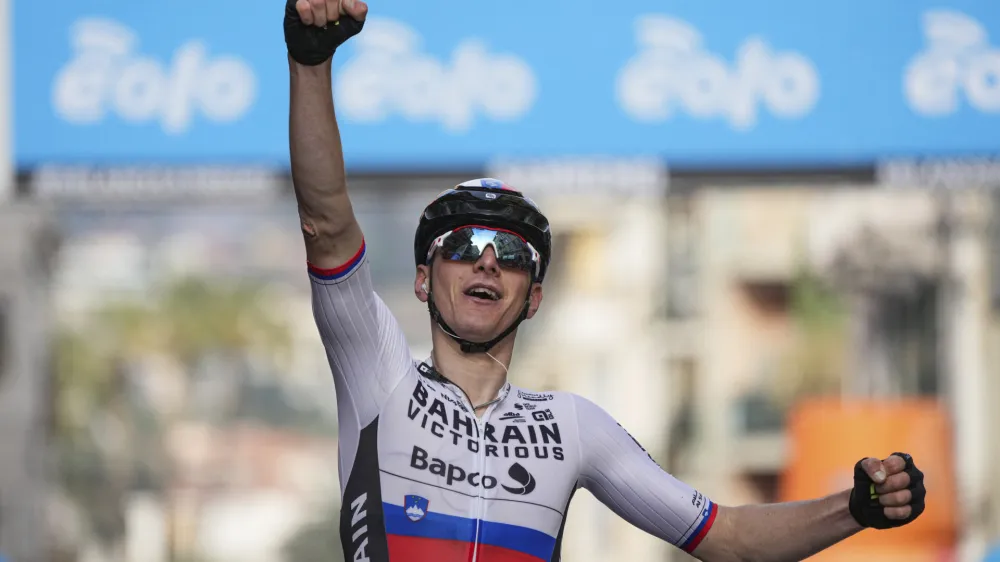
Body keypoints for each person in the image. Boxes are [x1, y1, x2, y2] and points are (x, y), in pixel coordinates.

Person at [283, 1, 929, 561]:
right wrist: (311, 64)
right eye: (463, 246)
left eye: (510, 253)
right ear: (424, 280)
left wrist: (855, 509)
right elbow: (327, 224)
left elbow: (729, 537)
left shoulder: (571, 427)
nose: (486, 262)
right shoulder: (379, 375)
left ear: (534, 298)